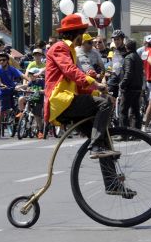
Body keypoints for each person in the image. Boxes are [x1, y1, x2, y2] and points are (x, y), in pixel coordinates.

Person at [44, 14, 125, 180]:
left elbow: (75, 83)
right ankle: (95, 146)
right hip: (60, 101)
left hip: (67, 99)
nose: (86, 36)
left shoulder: (71, 50)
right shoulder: (60, 48)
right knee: (104, 104)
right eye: (84, 33)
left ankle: (112, 184)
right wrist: (95, 84)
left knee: (103, 137)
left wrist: (94, 91)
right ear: (77, 33)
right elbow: (71, 72)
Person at [0, 52, 26, 131]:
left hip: (12, 89)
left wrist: (30, 81)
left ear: (7, 61)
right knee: (2, 109)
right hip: (3, 90)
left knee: (17, 102)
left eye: (3, 60)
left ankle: (16, 116)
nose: (1, 61)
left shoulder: (11, 68)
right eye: (0, 60)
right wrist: (1, 84)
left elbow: (21, 75)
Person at [118, 39, 144, 130]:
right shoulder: (138, 57)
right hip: (137, 87)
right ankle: (137, 133)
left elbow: (128, 73)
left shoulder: (129, 57)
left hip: (129, 88)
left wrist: (122, 84)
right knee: (135, 111)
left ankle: (124, 134)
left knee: (123, 111)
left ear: (126, 47)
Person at [106, 30, 127, 99]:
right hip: (114, 75)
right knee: (109, 95)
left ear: (122, 39)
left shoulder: (127, 50)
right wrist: (108, 70)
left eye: (118, 39)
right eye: (115, 39)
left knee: (123, 98)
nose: (116, 41)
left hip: (124, 77)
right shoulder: (112, 50)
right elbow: (111, 62)